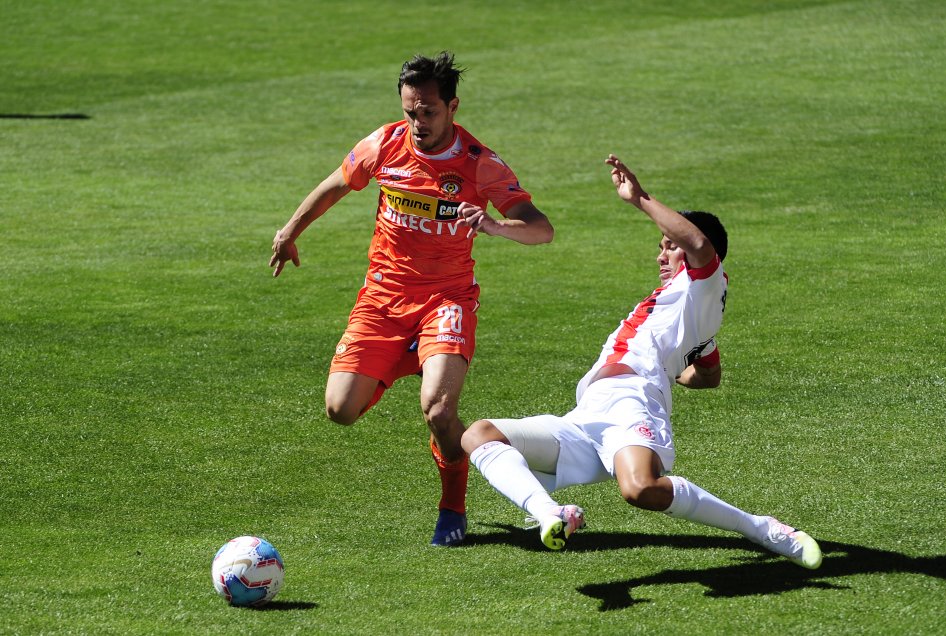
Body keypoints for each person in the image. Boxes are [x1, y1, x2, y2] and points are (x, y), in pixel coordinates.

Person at [461, 154, 822, 569]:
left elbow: (700, 246)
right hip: (588, 413)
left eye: (670, 247)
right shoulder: (683, 308)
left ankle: (762, 528)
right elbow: (709, 374)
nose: (661, 257)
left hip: (633, 401)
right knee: (480, 434)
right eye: (661, 248)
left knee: (640, 489)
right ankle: (550, 514)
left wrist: (639, 199)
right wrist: (679, 367)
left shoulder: (702, 287)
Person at [269, 52, 553, 547]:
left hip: (447, 300)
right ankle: (409, 359)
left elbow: (541, 229)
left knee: (440, 411)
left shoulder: (479, 164)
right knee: (340, 410)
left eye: (428, 112)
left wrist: (494, 225)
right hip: (381, 299)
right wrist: (290, 231)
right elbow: (336, 185)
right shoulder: (385, 143)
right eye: (409, 111)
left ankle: (452, 504)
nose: (417, 123)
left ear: (452, 108)